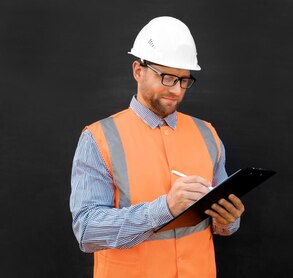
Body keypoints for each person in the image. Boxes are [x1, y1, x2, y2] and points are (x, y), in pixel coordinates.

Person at [70, 16, 244, 278]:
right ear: (138, 71)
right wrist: (166, 209)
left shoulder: (206, 134)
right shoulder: (99, 138)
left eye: (184, 80)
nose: (176, 89)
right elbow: (87, 231)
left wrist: (228, 220)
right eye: (167, 77)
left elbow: (221, 223)